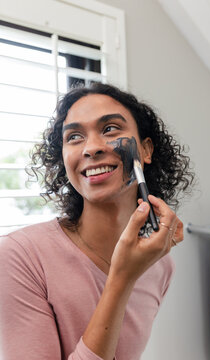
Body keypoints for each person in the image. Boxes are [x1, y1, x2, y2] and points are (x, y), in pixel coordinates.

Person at [0, 83, 194, 360]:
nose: (91, 148)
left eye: (110, 129)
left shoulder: (160, 264)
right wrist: (122, 279)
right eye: (75, 137)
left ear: (145, 150)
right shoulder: (20, 255)